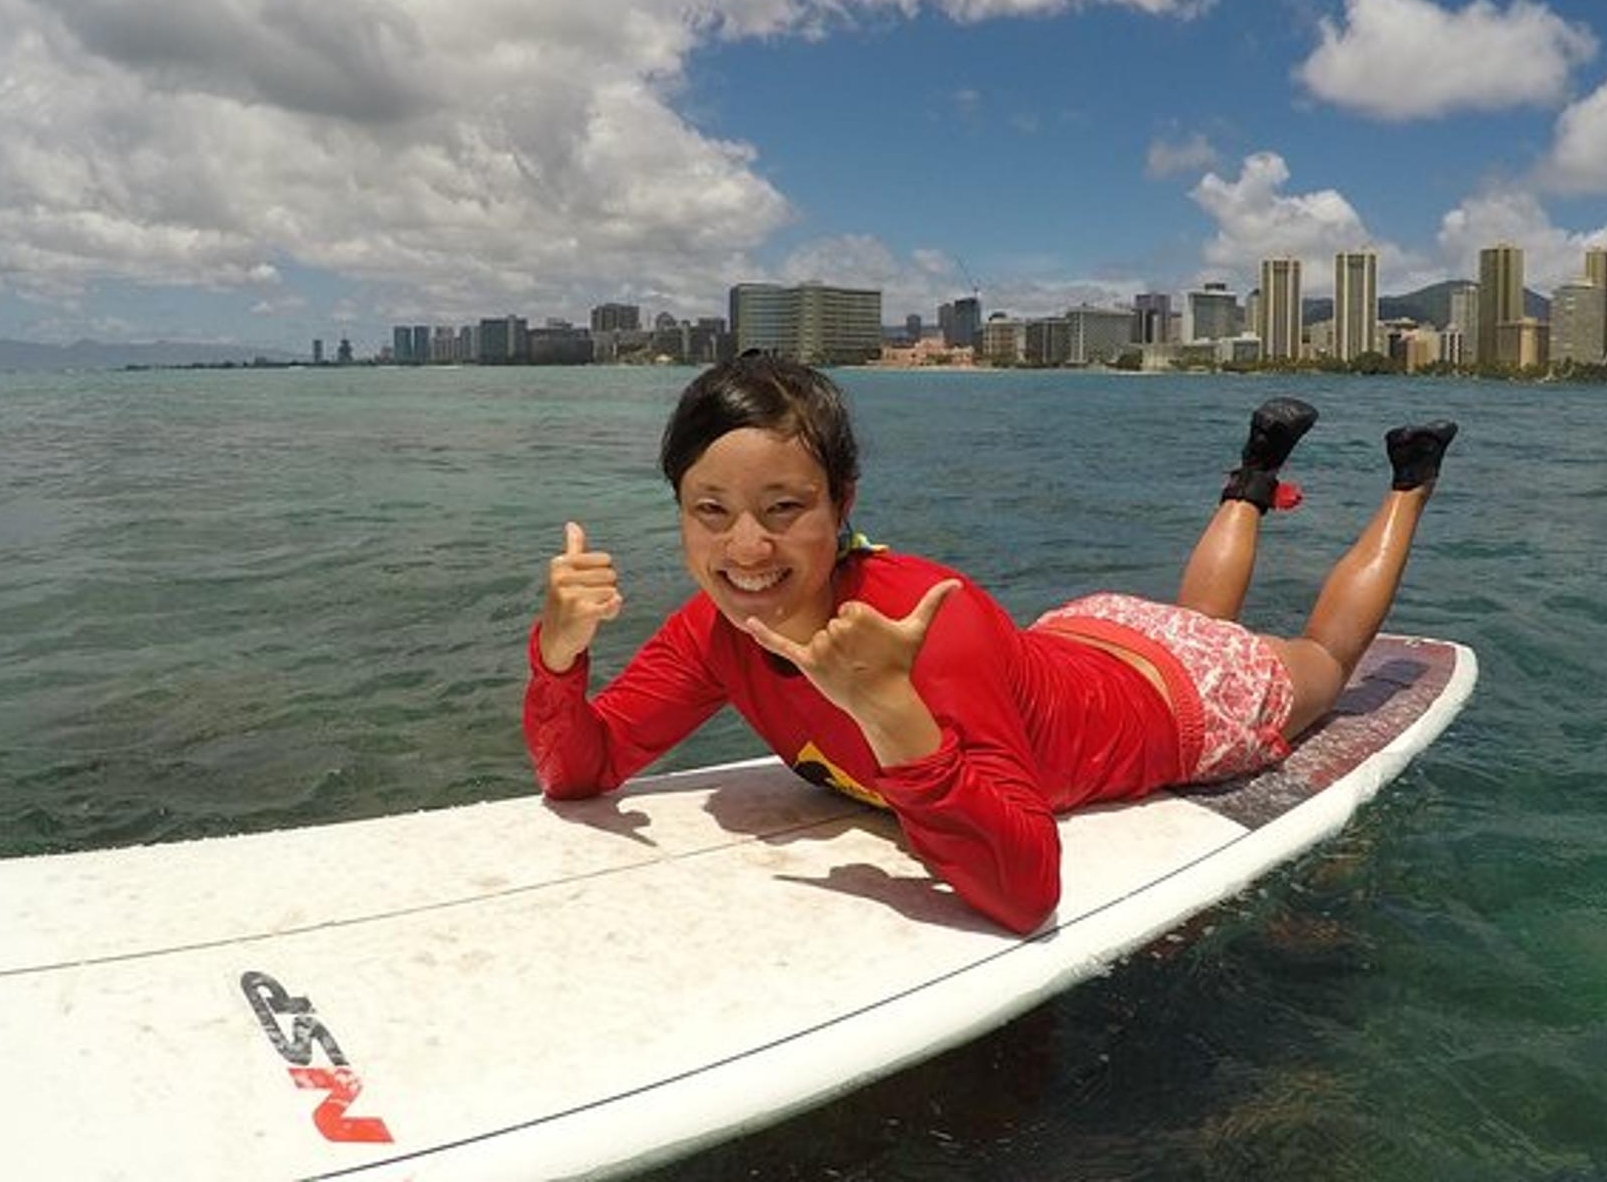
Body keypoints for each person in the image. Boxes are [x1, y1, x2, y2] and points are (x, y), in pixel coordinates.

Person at [524, 356, 1456, 934]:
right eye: (710, 513)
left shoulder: (928, 620)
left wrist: (890, 710)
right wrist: (559, 656)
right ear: (680, 514)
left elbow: (1025, 891)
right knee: (1201, 616)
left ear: (843, 504)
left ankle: (1409, 476)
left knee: (1327, 664)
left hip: (1177, 701)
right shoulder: (717, 629)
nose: (746, 550)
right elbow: (583, 770)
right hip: (1078, 637)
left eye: (784, 509)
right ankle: (1255, 470)